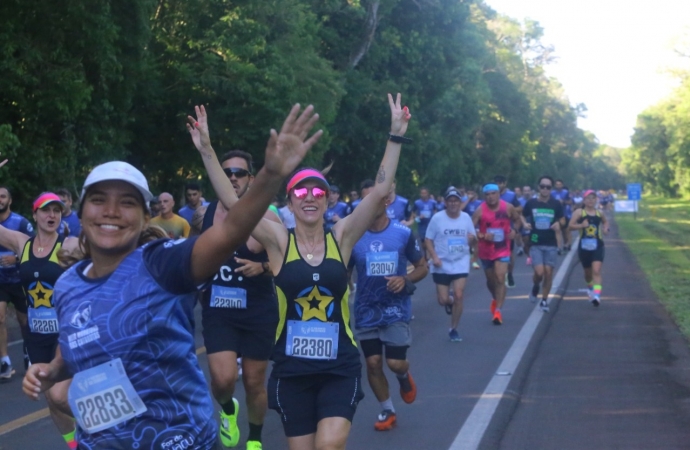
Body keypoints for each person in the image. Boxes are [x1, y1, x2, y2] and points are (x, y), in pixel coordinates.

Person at [22, 103, 320, 449]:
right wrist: (49, 371)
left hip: (178, 440)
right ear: (83, 211)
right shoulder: (69, 283)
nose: (112, 212)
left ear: (145, 217)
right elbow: (72, 348)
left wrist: (271, 174)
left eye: (128, 203)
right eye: (99, 200)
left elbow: (231, 230)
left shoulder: (161, 264)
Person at [200, 94, 410, 449]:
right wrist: (206, 149)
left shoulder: (341, 237)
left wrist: (395, 136)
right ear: (291, 201)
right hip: (293, 372)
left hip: (338, 368)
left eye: (318, 190)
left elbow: (379, 192)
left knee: (328, 445)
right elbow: (234, 204)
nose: (310, 195)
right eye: (301, 190)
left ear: (328, 200)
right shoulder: (279, 241)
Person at [193, 147, 282, 450]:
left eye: (238, 173)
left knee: (255, 382)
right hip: (218, 308)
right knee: (222, 379)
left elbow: (287, 259)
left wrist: (264, 267)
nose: (232, 177)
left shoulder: (268, 214)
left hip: (258, 309)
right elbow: (193, 252)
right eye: (227, 172)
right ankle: (228, 410)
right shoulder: (204, 214)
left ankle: (254, 440)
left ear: (251, 178)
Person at [1, 192, 80, 448]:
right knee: (52, 400)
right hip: (35, 336)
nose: (52, 215)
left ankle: (107, 433)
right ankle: (75, 445)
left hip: (64, 333)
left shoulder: (68, 245)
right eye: (46, 210)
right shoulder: (22, 244)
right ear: (34, 215)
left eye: (56, 211)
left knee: (59, 395)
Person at [348, 181, 427, 431]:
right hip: (365, 310)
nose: (369, 204)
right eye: (364, 200)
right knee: (372, 363)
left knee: (394, 363)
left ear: (386, 201)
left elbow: (423, 267)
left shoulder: (402, 234)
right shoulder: (353, 236)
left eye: (375, 199)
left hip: (395, 310)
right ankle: (387, 410)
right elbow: (341, 272)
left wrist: (405, 279)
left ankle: (404, 377)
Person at [425, 188, 476, 341]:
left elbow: (472, 237)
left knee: (459, 294)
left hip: (460, 261)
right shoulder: (437, 218)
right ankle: (450, 301)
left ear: (460, 203)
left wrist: (471, 239)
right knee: (443, 300)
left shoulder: (466, 218)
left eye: (456, 201)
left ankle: (453, 328)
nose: (453, 203)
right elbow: (428, 239)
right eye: (450, 201)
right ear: (445, 203)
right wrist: (434, 257)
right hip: (442, 263)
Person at [472, 184, 520, 325]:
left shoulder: (508, 207)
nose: (491, 197)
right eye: (487, 194)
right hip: (486, 250)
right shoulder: (480, 211)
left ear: (499, 194)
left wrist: (515, 231)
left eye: (493, 193)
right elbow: (470, 229)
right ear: (484, 196)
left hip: (502, 248)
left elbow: (517, 220)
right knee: (491, 281)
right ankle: (495, 299)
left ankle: (498, 311)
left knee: (500, 277)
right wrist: (482, 235)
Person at [0, 186, 34, 379]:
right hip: (0, 282)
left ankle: (29, 353)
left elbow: (35, 249)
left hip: (20, 280)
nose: (0, 200)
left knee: (25, 321)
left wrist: (16, 258)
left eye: (3, 196)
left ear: (9, 201)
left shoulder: (20, 223)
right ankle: (4, 362)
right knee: (0, 318)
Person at [522, 176, 564, 312]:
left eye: (548, 187)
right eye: (543, 186)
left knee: (549, 272)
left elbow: (563, 220)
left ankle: (544, 300)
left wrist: (559, 223)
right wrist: (524, 223)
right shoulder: (532, 203)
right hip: (535, 242)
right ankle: (535, 287)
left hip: (551, 243)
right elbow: (522, 214)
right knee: (539, 272)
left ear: (551, 189)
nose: (545, 189)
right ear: (538, 187)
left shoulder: (556, 204)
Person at [569, 190, 608, 306]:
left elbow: (606, 223)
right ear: (584, 200)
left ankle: (596, 296)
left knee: (596, 270)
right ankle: (590, 288)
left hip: (598, 246)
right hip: (584, 247)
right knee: (587, 273)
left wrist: (606, 229)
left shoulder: (599, 213)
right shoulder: (579, 212)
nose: (590, 200)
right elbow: (570, 226)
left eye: (593, 198)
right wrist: (581, 225)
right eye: (588, 198)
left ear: (596, 200)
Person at [494, 175, 521, 288]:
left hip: (507, 230)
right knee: (494, 254)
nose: (498, 185)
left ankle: (509, 274)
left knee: (509, 253)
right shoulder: (490, 195)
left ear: (504, 184)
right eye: (497, 183)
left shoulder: (511, 195)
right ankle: (498, 276)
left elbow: (520, 208)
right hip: (494, 230)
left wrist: (509, 210)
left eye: (500, 183)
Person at [410, 187, 437, 257]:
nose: (423, 195)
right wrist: (418, 217)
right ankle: (425, 257)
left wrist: (434, 217)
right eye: (422, 193)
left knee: (430, 241)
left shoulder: (433, 202)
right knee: (423, 243)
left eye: (425, 193)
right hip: (421, 225)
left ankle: (431, 256)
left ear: (427, 193)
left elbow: (435, 211)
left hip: (430, 225)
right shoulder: (417, 203)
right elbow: (413, 213)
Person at [463, 189, 482, 270]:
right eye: (468, 193)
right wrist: (467, 199)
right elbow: (460, 209)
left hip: (477, 225)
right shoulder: (465, 202)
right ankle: (470, 254)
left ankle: (475, 260)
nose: (470, 195)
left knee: (476, 242)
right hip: (466, 225)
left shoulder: (479, 202)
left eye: (472, 193)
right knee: (468, 242)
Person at [551, 179, 572, 252]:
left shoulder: (565, 192)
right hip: (556, 214)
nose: (558, 186)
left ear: (562, 185)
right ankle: (559, 247)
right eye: (557, 184)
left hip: (564, 213)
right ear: (555, 185)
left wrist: (563, 201)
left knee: (565, 231)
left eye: (560, 184)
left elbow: (570, 202)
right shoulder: (552, 193)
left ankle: (567, 243)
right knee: (557, 230)